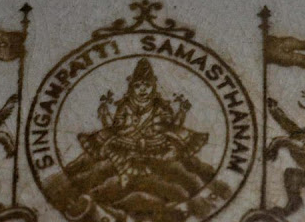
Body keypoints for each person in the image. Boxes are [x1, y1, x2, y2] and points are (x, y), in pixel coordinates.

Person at [77, 58, 208, 187]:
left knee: (172, 152)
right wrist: (123, 127)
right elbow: (116, 126)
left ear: (153, 86)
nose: (142, 89)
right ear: (131, 87)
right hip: (128, 142)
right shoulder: (125, 105)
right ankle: (124, 173)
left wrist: (169, 120)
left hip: (154, 143)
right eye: (138, 86)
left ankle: (160, 176)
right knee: (111, 149)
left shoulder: (161, 105)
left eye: (147, 85)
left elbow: (171, 126)